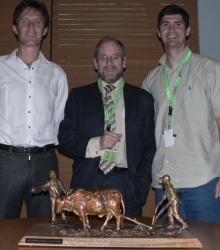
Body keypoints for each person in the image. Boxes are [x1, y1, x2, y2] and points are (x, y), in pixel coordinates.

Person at [58, 36, 156, 216]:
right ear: (95, 63)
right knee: (87, 243)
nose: (109, 62)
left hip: (127, 186)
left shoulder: (143, 99)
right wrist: (97, 143)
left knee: (126, 242)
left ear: (124, 61)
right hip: (88, 184)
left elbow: (149, 146)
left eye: (115, 57)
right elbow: (64, 139)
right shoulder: (79, 96)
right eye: (103, 58)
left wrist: (140, 182)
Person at [142, 4, 220, 223]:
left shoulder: (209, 69)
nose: (172, 29)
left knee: (208, 245)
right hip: (164, 184)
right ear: (159, 33)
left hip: (203, 182)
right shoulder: (151, 80)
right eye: (165, 25)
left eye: (178, 24)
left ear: (187, 30)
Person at [0, 0, 68, 220]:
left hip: (45, 162)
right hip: (6, 161)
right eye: (24, 21)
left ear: (45, 30)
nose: (31, 27)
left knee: (45, 227)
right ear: (15, 28)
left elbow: (59, 118)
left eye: (37, 22)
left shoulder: (57, 74)